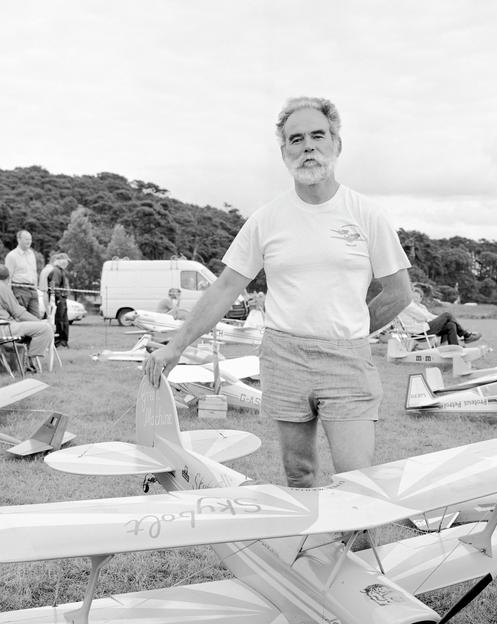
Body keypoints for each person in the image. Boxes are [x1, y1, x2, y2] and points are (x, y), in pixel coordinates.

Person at [145, 96, 412, 489]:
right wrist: (176, 346)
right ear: (284, 150)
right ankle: (307, 551)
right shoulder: (266, 219)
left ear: (336, 144)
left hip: (348, 361)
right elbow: (225, 288)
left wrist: (351, 330)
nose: (308, 146)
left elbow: (399, 292)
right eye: (296, 139)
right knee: (299, 474)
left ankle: (354, 552)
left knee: (359, 481)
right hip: (284, 358)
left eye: (318, 136)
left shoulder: (366, 214)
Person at [0, 265, 53, 372]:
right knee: (45, 328)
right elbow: (18, 313)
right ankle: (29, 362)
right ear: (8, 278)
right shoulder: (1, 287)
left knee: (36, 328)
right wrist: (39, 321)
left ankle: (26, 361)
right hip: (2, 328)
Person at [397, 287, 481, 346]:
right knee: (447, 315)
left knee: (450, 324)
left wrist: (439, 319)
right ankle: (466, 335)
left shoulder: (416, 306)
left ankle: (453, 347)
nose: (414, 299)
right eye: (413, 296)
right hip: (418, 331)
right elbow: (423, 317)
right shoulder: (409, 305)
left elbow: (426, 316)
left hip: (423, 328)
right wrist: (440, 319)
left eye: (416, 297)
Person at [4, 230, 41, 317]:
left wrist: (35, 288)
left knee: (36, 318)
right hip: (19, 290)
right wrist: (9, 295)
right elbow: (8, 277)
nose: (29, 242)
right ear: (19, 240)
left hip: (33, 290)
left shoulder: (32, 254)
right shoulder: (11, 256)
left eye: (30, 239)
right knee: (21, 317)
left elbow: (34, 273)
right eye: (26, 239)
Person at [45, 253, 72, 347]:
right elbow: (53, 284)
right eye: (66, 261)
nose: (67, 263)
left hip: (62, 298)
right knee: (59, 320)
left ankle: (63, 341)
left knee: (64, 321)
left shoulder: (61, 271)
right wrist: (58, 298)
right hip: (59, 299)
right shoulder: (56, 271)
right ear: (61, 261)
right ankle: (58, 341)